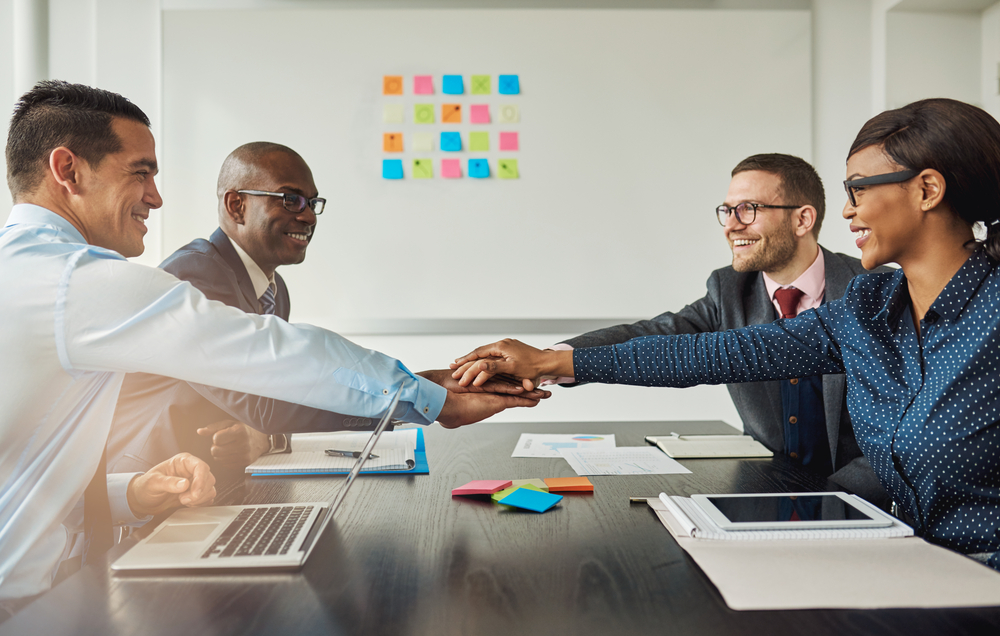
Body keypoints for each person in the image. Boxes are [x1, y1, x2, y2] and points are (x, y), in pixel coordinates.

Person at [0, 80, 542, 611]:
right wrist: (431, 396)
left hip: (58, 574)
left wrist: (129, 492)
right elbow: (263, 353)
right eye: (141, 173)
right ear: (68, 170)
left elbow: (27, 473)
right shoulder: (72, 282)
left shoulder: (33, 276)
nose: (156, 196)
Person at [453, 98, 1000, 571]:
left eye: (858, 190)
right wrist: (550, 362)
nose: (850, 210)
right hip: (916, 561)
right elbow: (710, 352)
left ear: (928, 189)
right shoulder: (869, 307)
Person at [108, 142, 530, 485]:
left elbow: (276, 396)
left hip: (218, 481)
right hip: (152, 488)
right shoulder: (196, 274)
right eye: (290, 199)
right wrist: (425, 398)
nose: (308, 215)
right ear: (236, 205)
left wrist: (430, 383)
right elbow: (262, 400)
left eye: (312, 202)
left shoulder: (273, 288)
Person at [544, 154, 888, 506]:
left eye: (748, 209)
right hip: (766, 494)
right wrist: (549, 359)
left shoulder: (873, 293)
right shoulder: (729, 290)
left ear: (802, 219)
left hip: (860, 505)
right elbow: (661, 333)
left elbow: (899, 438)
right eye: (727, 211)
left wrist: (835, 500)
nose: (731, 225)